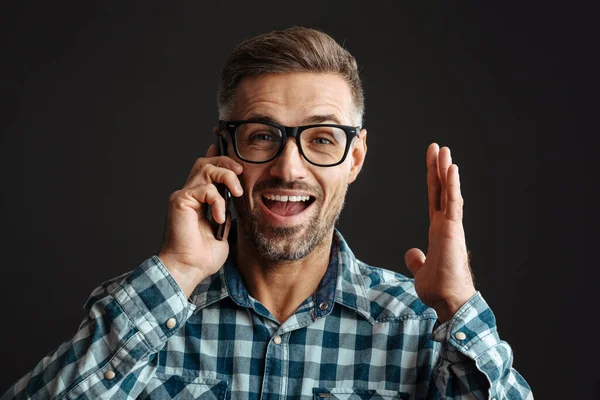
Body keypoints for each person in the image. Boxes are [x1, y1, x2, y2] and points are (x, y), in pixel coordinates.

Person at [2, 26, 532, 399]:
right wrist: (177, 271)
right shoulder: (147, 314)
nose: (288, 168)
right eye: (262, 137)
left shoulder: (420, 328)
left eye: (322, 139)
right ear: (222, 151)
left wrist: (459, 306)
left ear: (356, 158)